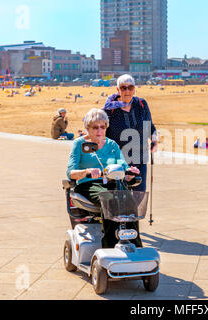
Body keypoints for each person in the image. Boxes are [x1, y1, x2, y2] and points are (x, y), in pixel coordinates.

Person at [66, 108, 142, 249]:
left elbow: (123, 165)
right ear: (87, 128)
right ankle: (110, 246)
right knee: (109, 199)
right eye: (95, 127)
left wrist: (130, 171)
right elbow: (70, 172)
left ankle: (135, 245)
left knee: (130, 200)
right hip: (88, 184)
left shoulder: (112, 145)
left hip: (112, 182)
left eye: (103, 127)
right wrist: (86, 171)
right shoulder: (79, 144)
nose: (99, 130)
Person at [102, 74, 158, 192]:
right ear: (118, 90)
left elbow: (149, 126)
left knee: (139, 195)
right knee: (119, 197)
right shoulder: (109, 109)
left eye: (130, 87)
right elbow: (102, 134)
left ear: (134, 89)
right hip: (117, 161)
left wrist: (154, 139)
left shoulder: (141, 104)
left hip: (140, 159)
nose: (127, 91)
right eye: (123, 88)